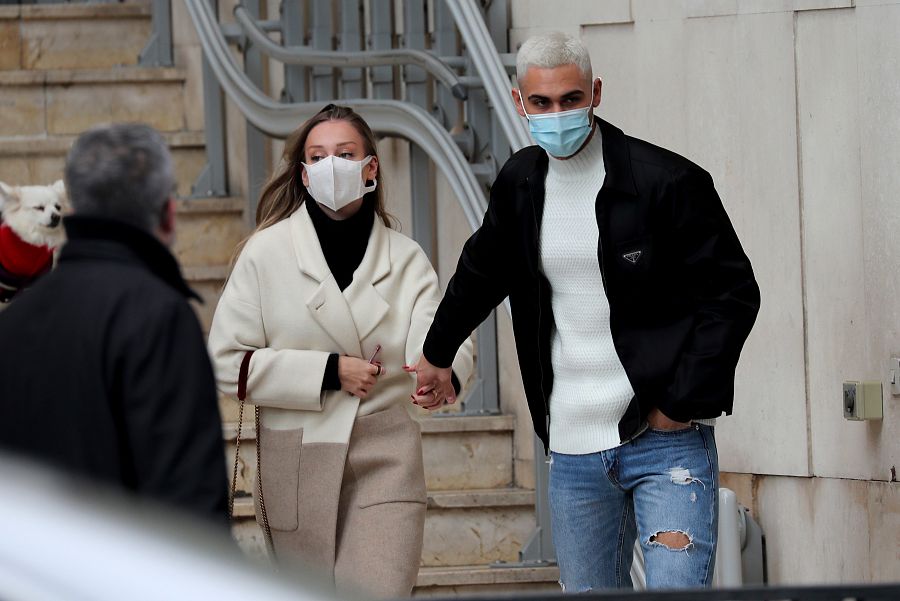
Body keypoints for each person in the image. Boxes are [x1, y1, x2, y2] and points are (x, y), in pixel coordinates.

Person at [408, 32, 761, 591]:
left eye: (571, 99)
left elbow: (732, 295)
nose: (557, 114)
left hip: (663, 439)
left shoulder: (666, 182)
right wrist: (436, 354)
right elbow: (481, 271)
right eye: (542, 103)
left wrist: (679, 403)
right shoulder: (521, 184)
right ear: (520, 101)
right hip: (572, 448)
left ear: (595, 92)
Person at [207, 104, 473, 598]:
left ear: (370, 167)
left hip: (385, 453)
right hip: (296, 455)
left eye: (346, 153)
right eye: (319, 156)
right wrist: (329, 372)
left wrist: (442, 372)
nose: (333, 165)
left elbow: (439, 334)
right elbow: (226, 362)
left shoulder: (405, 257)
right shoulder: (265, 254)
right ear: (304, 175)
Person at [0, 123, 228, 525]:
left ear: (74, 207)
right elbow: (190, 503)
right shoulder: (159, 316)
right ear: (168, 214)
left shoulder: (16, 320)